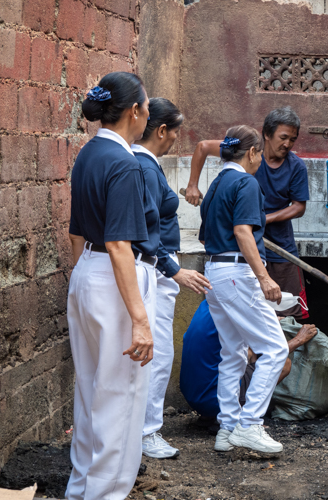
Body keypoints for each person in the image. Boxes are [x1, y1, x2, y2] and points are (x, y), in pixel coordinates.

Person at [66, 72, 158, 500]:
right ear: (135, 111)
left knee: (90, 393)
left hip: (89, 270)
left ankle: (81, 490)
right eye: (146, 107)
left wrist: (86, 279)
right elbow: (121, 243)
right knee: (119, 401)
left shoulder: (89, 153)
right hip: (115, 276)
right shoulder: (124, 162)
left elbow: (76, 232)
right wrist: (140, 319)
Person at [200, 125, 288, 454]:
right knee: (275, 349)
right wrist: (264, 277)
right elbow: (242, 231)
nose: (260, 162)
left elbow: (208, 236)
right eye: (259, 155)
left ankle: (227, 428)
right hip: (236, 271)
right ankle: (250, 425)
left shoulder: (216, 184)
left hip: (214, 270)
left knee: (232, 353)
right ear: (251, 152)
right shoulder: (246, 182)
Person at [131, 98, 211, 459]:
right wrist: (173, 269)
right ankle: (147, 432)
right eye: (175, 132)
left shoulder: (146, 165)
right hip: (155, 268)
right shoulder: (145, 168)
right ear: (161, 130)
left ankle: (142, 430)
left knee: (156, 352)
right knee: (159, 353)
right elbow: (145, 228)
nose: (176, 139)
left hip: (156, 266)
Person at [185, 107, 310, 320]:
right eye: (283, 137)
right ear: (266, 136)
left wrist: (261, 220)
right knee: (256, 318)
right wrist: (192, 185)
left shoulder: (295, 166)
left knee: (288, 312)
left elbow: (299, 206)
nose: (287, 144)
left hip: (279, 246)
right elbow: (203, 146)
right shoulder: (241, 157)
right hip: (241, 256)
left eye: (293, 139)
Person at [180, 300, 317, 435]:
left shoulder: (209, 304)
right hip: (212, 399)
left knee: (243, 351)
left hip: (193, 395)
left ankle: (210, 416)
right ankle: (244, 419)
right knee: (283, 364)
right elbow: (272, 354)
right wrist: (299, 339)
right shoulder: (241, 306)